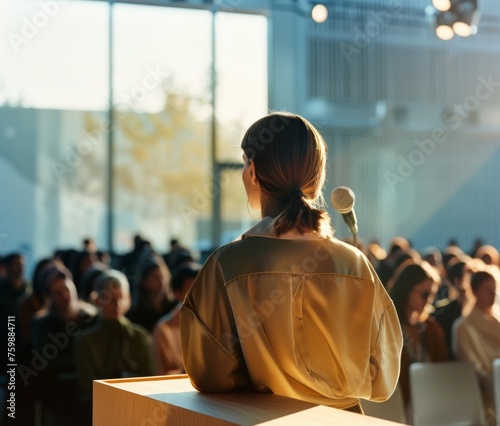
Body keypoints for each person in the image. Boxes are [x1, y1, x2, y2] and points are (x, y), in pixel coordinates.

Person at [180, 112, 403, 413]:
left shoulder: (228, 264)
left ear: (253, 171)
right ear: (317, 178)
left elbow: (210, 375)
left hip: (264, 419)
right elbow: (383, 379)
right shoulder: (355, 265)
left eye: (246, 161)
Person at [75, 270, 155, 402]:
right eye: (110, 299)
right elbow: (88, 388)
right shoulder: (85, 341)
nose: (117, 305)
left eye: (121, 298)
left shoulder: (141, 337)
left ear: (128, 299)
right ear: (97, 300)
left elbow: (151, 380)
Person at [387, 259, 450, 409]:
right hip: (397, 406)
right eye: (424, 294)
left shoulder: (431, 327)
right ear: (406, 290)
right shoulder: (387, 326)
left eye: (432, 296)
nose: (428, 301)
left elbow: (443, 368)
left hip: (432, 403)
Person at [454, 269, 500, 422]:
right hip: (485, 393)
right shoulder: (464, 326)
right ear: (474, 291)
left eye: (495, 290)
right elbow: (473, 366)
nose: (493, 294)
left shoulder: (495, 320)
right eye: (488, 290)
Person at [153, 261, 201, 375]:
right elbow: (161, 374)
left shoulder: (218, 321)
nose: (200, 295)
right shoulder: (164, 329)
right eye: (192, 291)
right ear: (177, 293)